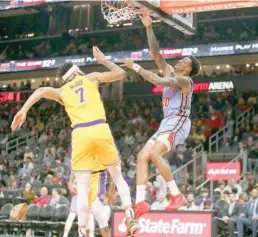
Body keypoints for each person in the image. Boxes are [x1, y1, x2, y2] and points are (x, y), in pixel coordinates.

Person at [11, 46, 139, 236]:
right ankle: (130, 217)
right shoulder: (91, 77)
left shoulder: (62, 91)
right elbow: (120, 73)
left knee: (83, 188)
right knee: (118, 176)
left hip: (80, 134)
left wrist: (24, 110)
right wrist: (103, 59)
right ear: (78, 71)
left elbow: (40, 90)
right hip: (100, 127)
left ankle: (81, 232)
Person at [120, 15, 201, 218]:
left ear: (188, 68)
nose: (180, 60)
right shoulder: (171, 71)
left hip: (179, 122)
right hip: (167, 123)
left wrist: (135, 66)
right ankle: (140, 202)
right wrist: (149, 28)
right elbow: (156, 54)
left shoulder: (185, 81)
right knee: (141, 157)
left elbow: (156, 80)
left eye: (184, 60)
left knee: (155, 154)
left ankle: (176, 195)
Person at [64, 165, 113, 237]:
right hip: (80, 195)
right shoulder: (78, 165)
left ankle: (90, 235)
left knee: (89, 217)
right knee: (76, 217)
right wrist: (72, 188)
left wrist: (107, 194)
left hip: (91, 195)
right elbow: (70, 182)